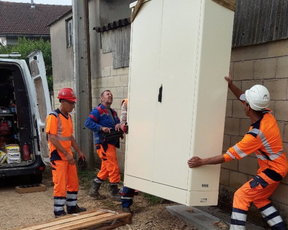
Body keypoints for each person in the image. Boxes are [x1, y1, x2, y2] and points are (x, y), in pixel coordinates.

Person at [188, 76, 288, 230]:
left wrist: (202, 161)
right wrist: (231, 85)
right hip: (277, 167)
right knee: (260, 198)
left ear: (248, 107)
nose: (244, 103)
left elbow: (227, 157)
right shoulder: (267, 114)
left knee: (241, 196)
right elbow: (244, 98)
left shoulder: (256, 135)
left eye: (246, 103)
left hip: (272, 171)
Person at [45, 88, 86, 218]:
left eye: (74, 103)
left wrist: (79, 151)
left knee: (73, 182)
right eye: (71, 103)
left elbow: (70, 137)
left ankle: (72, 207)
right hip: (58, 156)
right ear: (62, 102)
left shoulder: (68, 117)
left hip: (68, 156)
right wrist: (66, 154)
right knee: (60, 183)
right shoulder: (53, 116)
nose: (73, 106)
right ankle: (58, 211)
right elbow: (52, 138)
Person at [85, 90, 122, 200]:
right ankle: (114, 191)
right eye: (107, 94)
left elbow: (117, 123)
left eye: (111, 94)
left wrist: (118, 126)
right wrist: (101, 128)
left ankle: (94, 190)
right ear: (101, 99)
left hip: (111, 143)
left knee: (106, 169)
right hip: (103, 143)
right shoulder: (98, 111)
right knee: (113, 166)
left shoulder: (113, 112)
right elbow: (88, 123)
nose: (110, 95)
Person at [118, 98, 137, 213]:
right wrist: (123, 125)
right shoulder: (128, 101)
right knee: (132, 171)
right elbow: (122, 121)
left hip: (149, 141)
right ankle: (125, 204)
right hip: (135, 142)